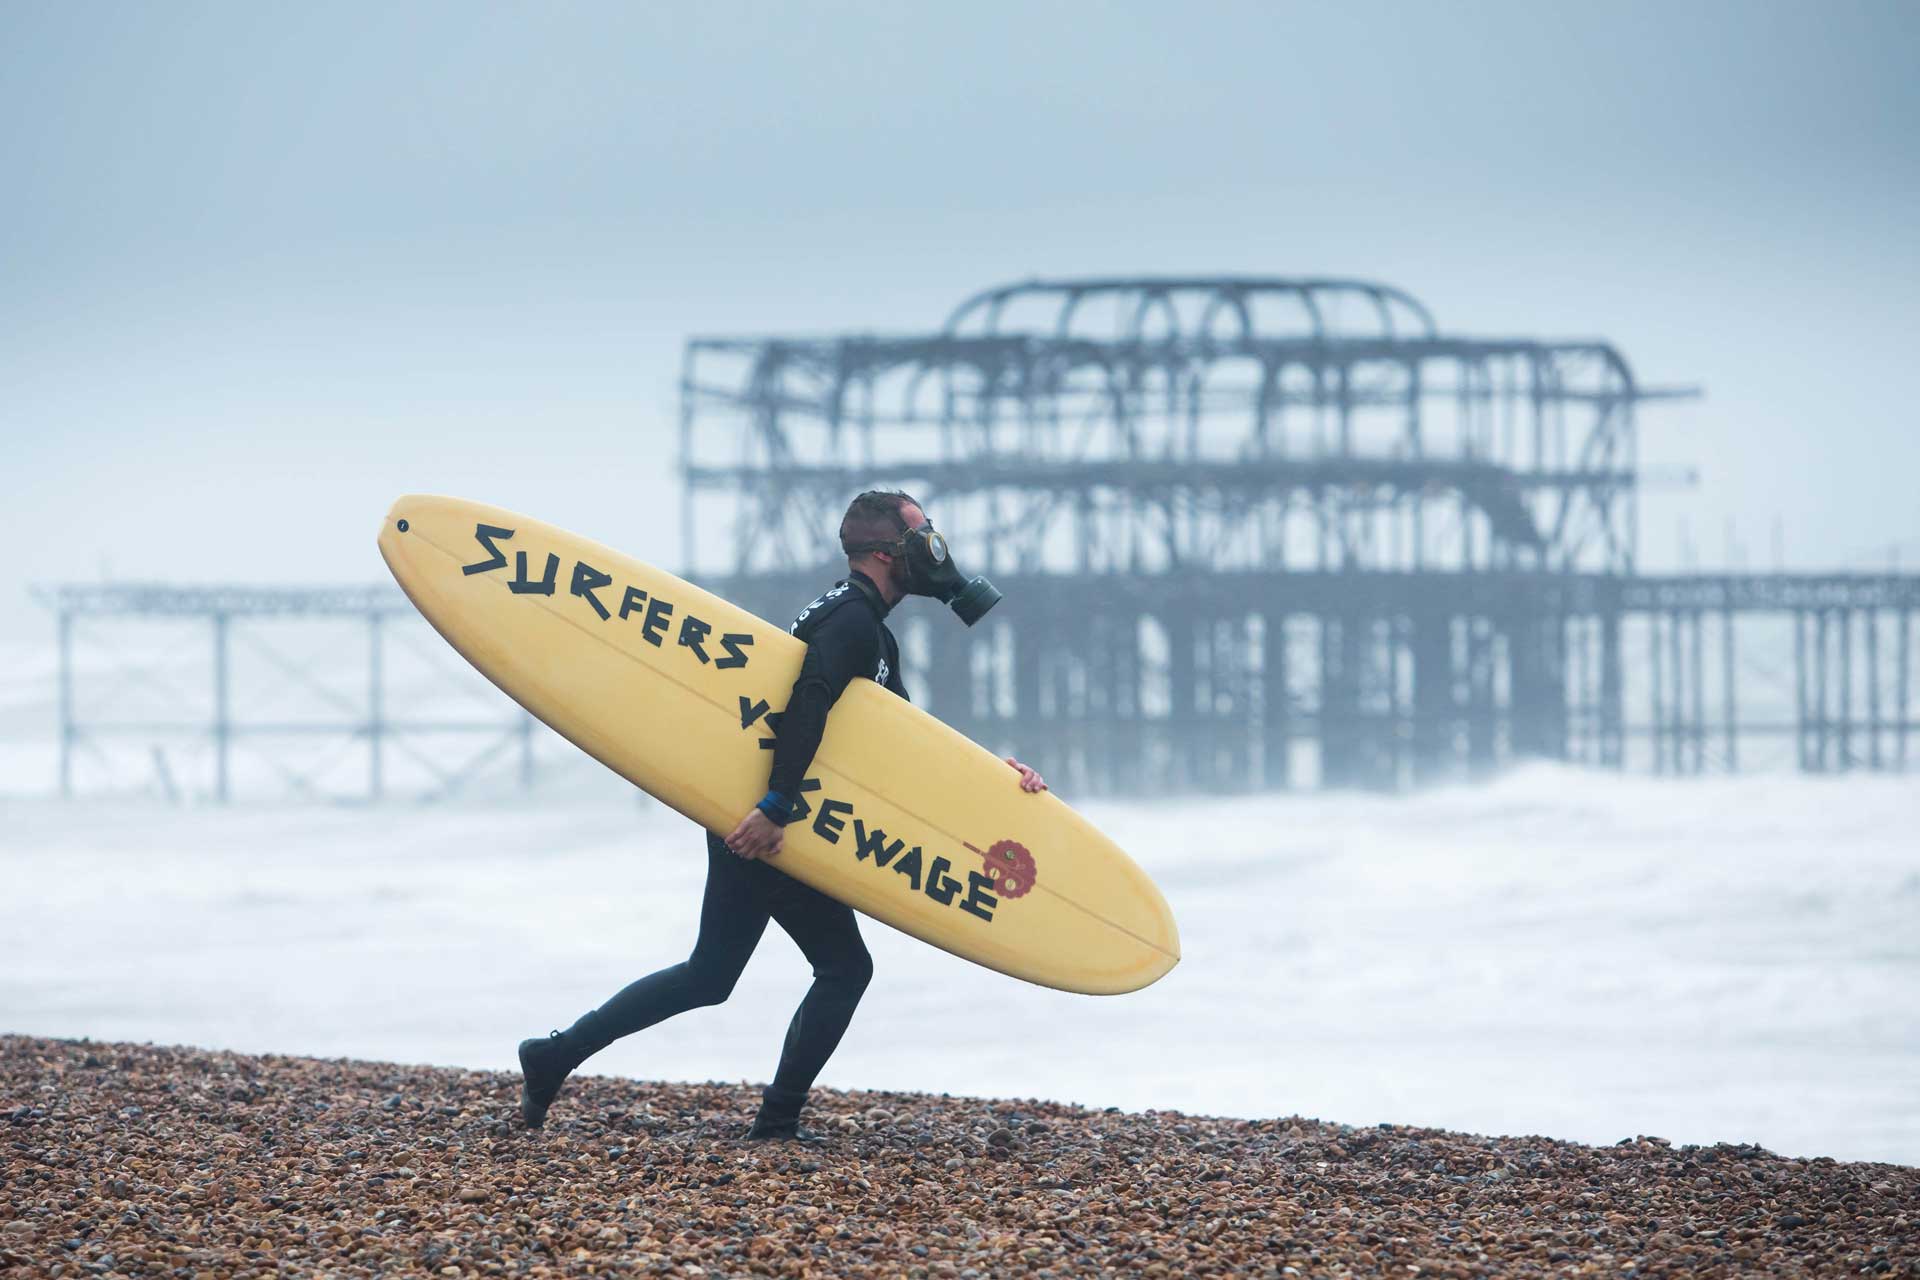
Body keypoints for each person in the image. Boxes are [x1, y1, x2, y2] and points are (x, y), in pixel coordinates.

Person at [516, 490, 1047, 1139]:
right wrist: (775, 806)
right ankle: (775, 1122)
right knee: (844, 968)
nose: (934, 546)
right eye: (921, 534)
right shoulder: (851, 622)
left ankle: (552, 1057)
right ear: (886, 553)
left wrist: (1001, 779)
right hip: (773, 822)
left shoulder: (867, 629)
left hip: (765, 814)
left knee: (711, 973)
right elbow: (809, 701)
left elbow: (916, 753)